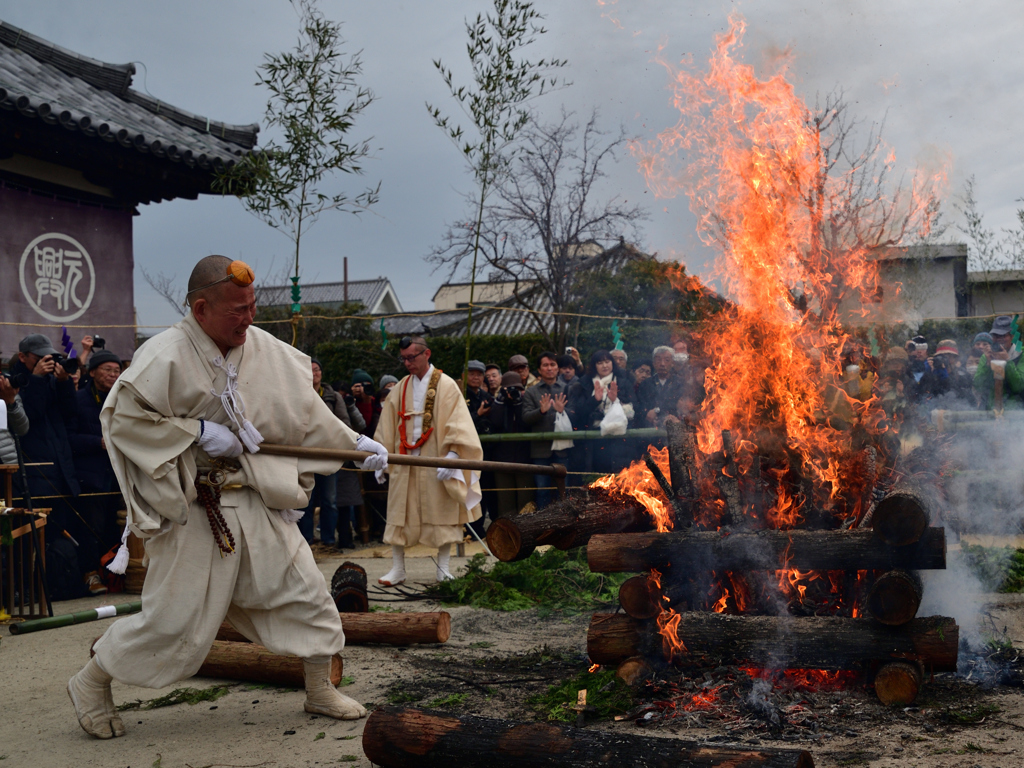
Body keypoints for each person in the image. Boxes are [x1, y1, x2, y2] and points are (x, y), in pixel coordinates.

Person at [67, 255, 389, 740]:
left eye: (252, 305)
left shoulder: (266, 350)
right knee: (173, 620)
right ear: (201, 308)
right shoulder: (164, 354)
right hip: (196, 506)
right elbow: (124, 422)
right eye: (237, 309)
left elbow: (303, 413)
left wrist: (352, 444)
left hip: (256, 498)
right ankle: (90, 683)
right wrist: (195, 431)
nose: (248, 317)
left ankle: (319, 687)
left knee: (308, 594)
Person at [374, 336, 483, 586]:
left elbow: (460, 423)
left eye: (412, 357)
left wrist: (454, 456)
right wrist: (382, 459)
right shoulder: (400, 387)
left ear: (427, 354)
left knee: (441, 512)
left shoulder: (447, 385)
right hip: (405, 459)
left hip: (437, 458)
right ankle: (398, 568)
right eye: (404, 359)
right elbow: (388, 425)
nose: (408, 363)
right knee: (399, 511)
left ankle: (443, 568)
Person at [10, 334, 84, 597]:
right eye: (41, 357)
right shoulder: (13, 382)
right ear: (23, 357)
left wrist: (63, 383)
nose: (47, 361)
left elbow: (69, 414)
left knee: (56, 533)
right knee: (26, 538)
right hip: (32, 474)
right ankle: (24, 589)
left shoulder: (52, 380)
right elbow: (28, 419)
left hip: (59, 470)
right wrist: (39, 380)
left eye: (50, 356)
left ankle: (54, 585)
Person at [67, 349, 126, 594]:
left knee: (120, 525)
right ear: (92, 372)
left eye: (117, 370)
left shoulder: (124, 400)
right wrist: (98, 442)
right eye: (107, 369)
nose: (113, 375)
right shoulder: (78, 399)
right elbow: (67, 438)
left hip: (120, 474)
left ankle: (117, 574)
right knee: (92, 527)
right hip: (90, 476)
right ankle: (91, 575)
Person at [299, 360, 366, 548]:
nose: (314, 373)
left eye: (317, 369)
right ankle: (306, 541)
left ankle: (328, 541)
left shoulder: (332, 395)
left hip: (329, 453)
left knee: (330, 500)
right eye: (310, 370)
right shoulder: (299, 393)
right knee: (306, 499)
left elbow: (344, 422)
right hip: (305, 454)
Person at [569, 350, 636, 474]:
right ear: (594, 365)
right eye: (600, 363)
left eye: (607, 361)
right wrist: (595, 400)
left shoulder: (623, 381)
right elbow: (579, 412)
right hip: (593, 437)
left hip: (620, 436)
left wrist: (616, 400)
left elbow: (634, 408)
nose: (604, 366)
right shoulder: (585, 383)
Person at [522, 352, 569, 509]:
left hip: (563, 448)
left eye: (553, 365)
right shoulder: (531, 392)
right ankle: (543, 526)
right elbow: (526, 418)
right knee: (542, 490)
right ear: (539, 370)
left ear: (558, 368)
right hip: (540, 450)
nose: (549, 368)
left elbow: (578, 414)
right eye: (545, 365)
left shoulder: (567, 388)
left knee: (563, 490)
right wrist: (541, 411)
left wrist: (563, 411)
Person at [488, 371, 535, 517]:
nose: (512, 392)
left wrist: (518, 403)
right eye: (508, 389)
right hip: (502, 460)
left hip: (524, 459)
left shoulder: (526, 402)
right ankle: (507, 535)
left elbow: (525, 422)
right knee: (505, 504)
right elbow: (494, 422)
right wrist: (501, 400)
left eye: (517, 389)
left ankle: (526, 534)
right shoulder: (498, 403)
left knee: (525, 504)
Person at [973, 316, 1024, 410]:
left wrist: (1007, 362)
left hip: (1016, 412)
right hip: (989, 410)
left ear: (1012, 336)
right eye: (995, 336)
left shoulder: (1021, 354)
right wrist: (988, 365)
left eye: (1003, 335)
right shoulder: (986, 355)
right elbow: (978, 385)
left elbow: (1019, 387)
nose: (999, 339)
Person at [637, 346, 689, 429]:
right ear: (653, 363)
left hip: (673, 427)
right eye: (658, 360)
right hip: (650, 428)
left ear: (672, 363)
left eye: (667, 360)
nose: (662, 364)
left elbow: (678, 404)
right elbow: (641, 406)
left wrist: (658, 410)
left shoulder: (680, 383)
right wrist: (647, 414)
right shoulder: (645, 384)